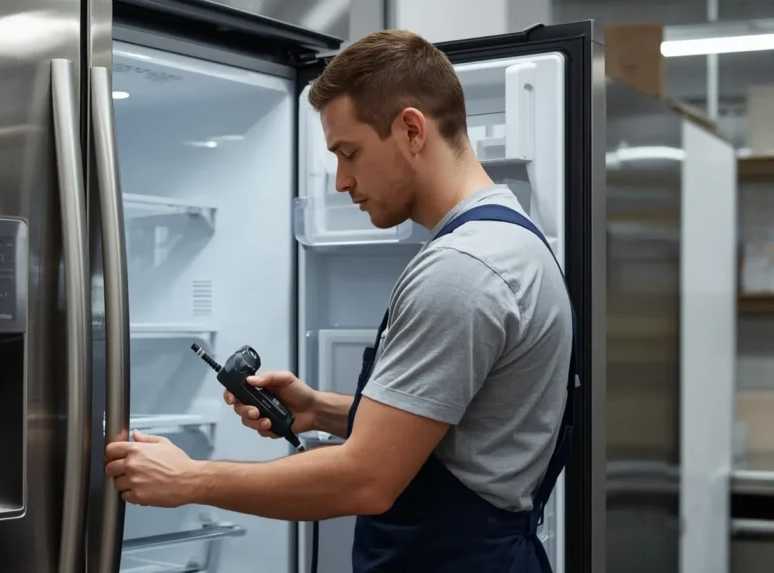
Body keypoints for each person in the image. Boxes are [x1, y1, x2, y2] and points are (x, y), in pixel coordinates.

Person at [105, 28, 575, 573]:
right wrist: (319, 409)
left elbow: (366, 480)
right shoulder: (509, 239)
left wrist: (189, 480)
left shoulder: (461, 270)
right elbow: (455, 433)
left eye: (348, 153)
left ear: (411, 130)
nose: (340, 181)